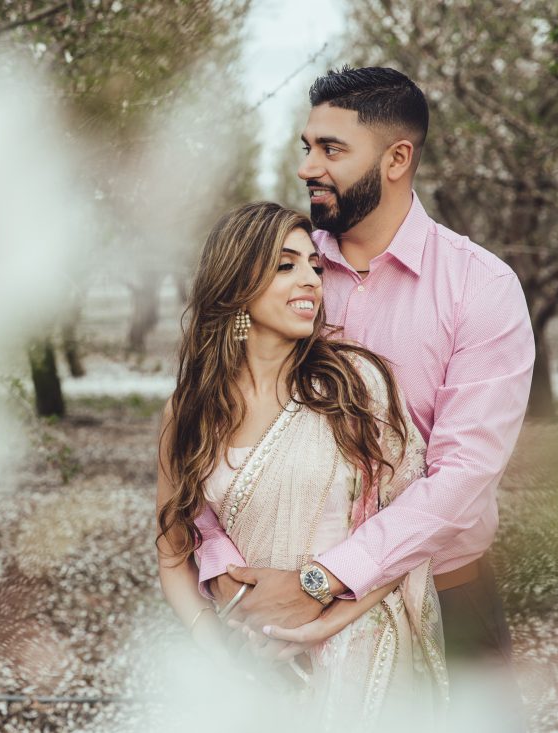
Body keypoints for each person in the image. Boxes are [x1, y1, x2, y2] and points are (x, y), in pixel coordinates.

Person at [194, 66, 535, 726]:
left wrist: (324, 579)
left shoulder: (481, 289)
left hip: (446, 596)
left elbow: (464, 474)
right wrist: (229, 575)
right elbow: (210, 426)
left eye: (332, 149)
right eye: (306, 146)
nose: (307, 168)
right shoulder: (278, 273)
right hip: (270, 613)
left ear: (398, 158)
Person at [156, 202, 448, 727]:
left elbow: (408, 530)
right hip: (254, 666)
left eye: (315, 264)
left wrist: (324, 618)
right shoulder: (192, 410)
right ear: (236, 283)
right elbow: (175, 554)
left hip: (361, 656)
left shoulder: (356, 384)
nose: (312, 278)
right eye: (286, 265)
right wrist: (218, 652)